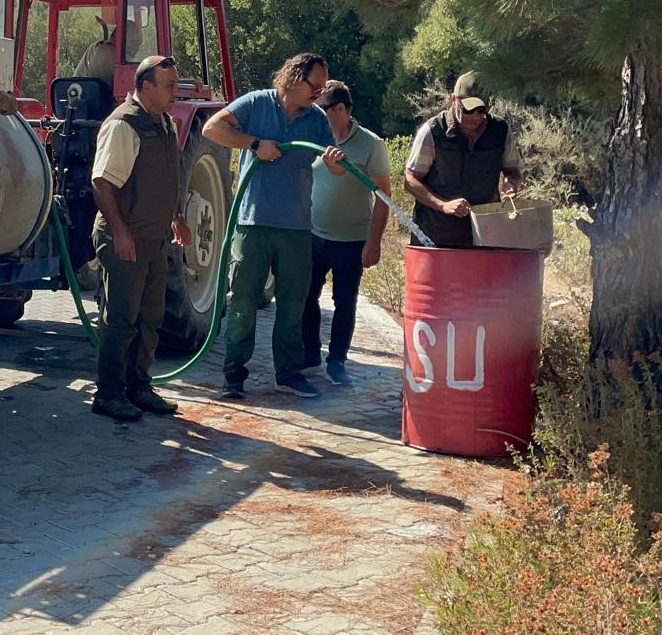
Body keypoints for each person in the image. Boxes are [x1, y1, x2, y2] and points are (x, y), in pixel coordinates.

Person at [202, 52, 346, 399]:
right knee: (243, 302)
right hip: (252, 224)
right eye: (315, 85)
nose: (320, 93)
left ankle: (288, 374)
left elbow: (339, 167)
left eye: (323, 87)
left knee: (293, 304)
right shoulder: (256, 104)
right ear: (295, 79)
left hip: (296, 228)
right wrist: (254, 143)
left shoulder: (316, 120)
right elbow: (212, 129)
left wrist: (335, 161)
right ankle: (234, 375)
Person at [89, 55, 193, 421]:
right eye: (168, 86)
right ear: (145, 86)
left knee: (151, 317)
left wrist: (175, 217)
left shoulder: (161, 122)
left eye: (175, 85)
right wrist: (120, 233)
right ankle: (109, 394)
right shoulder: (123, 126)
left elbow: (163, 179)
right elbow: (102, 182)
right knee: (121, 320)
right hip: (126, 240)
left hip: (154, 239)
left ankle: (139, 387)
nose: (174, 93)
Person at [303, 81, 391, 387]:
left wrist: (374, 242)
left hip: (351, 240)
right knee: (305, 296)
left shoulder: (371, 144)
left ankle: (337, 361)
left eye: (321, 108)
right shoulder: (315, 135)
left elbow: (384, 196)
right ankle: (310, 354)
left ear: (339, 109)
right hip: (313, 235)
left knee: (345, 301)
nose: (315, 113)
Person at [404, 71, 522, 247]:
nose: (475, 115)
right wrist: (443, 205)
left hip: (486, 236)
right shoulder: (433, 132)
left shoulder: (500, 131)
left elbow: (513, 172)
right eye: (468, 108)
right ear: (453, 100)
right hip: (436, 238)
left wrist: (511, 183)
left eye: (481, 109)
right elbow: (410, 180)